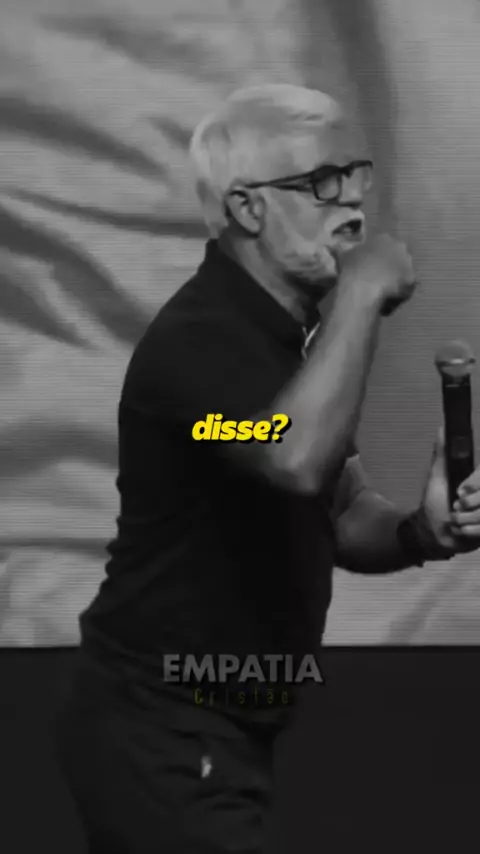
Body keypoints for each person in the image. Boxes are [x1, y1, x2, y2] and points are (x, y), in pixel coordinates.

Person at [55, 83, 480, 853]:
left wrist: (420, 531)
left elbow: (341, 511)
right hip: (160, 727)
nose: (353, 205)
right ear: (248, 209)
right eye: (322, 183)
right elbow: (293, 460)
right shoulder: (198, 341)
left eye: (355, 176)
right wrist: (360, 292)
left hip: (222, 729)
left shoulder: (289, 347)